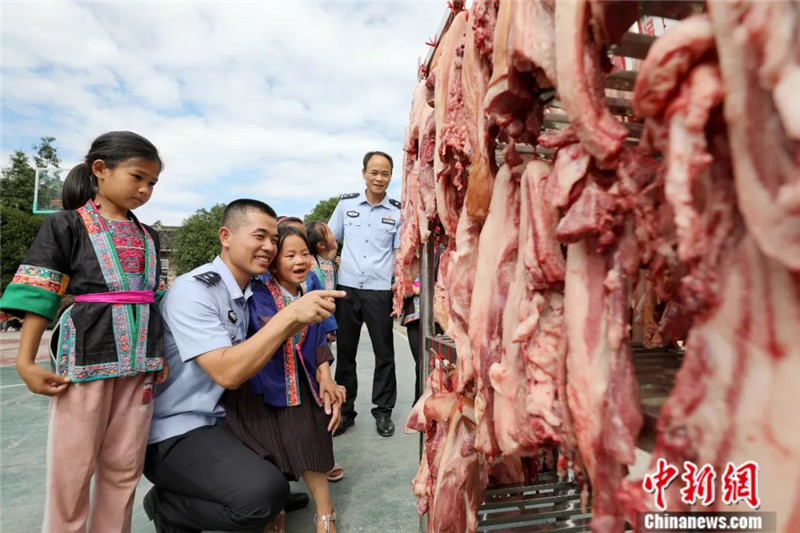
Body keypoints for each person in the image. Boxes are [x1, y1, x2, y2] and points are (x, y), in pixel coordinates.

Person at [143, 199, 345, 533]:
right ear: (226, 236)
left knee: (281, 455)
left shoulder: (253, 290)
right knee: (260, 497)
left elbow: (307, 341)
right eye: (259, 237)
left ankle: (258, 491)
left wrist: (324, 374)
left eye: (274, 241)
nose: (268, 247)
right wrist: (291, 317)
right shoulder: (195, 291)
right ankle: (168, 506)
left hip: (225, 416)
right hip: (179, 427)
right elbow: (229, 373)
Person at [0, 131, 168, 531]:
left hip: (139, 364)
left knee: (125, 468)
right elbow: (39, 292)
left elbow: (156, 298)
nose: (145, 190)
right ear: (100, 170)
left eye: (153, 183)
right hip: (84, 361)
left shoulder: (150, 237)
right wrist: (25, 361)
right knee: (72, 470)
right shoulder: (66, 226)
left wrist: (159, 355)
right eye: (137, 177)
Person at [225, 225, 344, 533]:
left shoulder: (308, 293)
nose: (300, 260)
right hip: (264, 386)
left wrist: (327, 378)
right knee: (265, 449)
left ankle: (325, 511)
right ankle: (275, 507)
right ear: (274, 263)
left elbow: (319, 341)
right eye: (289, 254)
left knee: (313, 438)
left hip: (301, 382)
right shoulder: (260, 295)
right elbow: (268, 334)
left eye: (304, 253)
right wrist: (294, 316)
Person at [328, 150, 401, 437]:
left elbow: (398, 252)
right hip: (347, 290)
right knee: (346, 353)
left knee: (385, 354)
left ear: (390, 177)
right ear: (363, 173)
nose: (379, 178)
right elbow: (330, 241)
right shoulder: (346, 207)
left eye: (385, 173)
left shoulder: (397, 211)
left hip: (379, 291)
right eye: (374, 172)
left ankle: (383, 412)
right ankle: (346, 412)